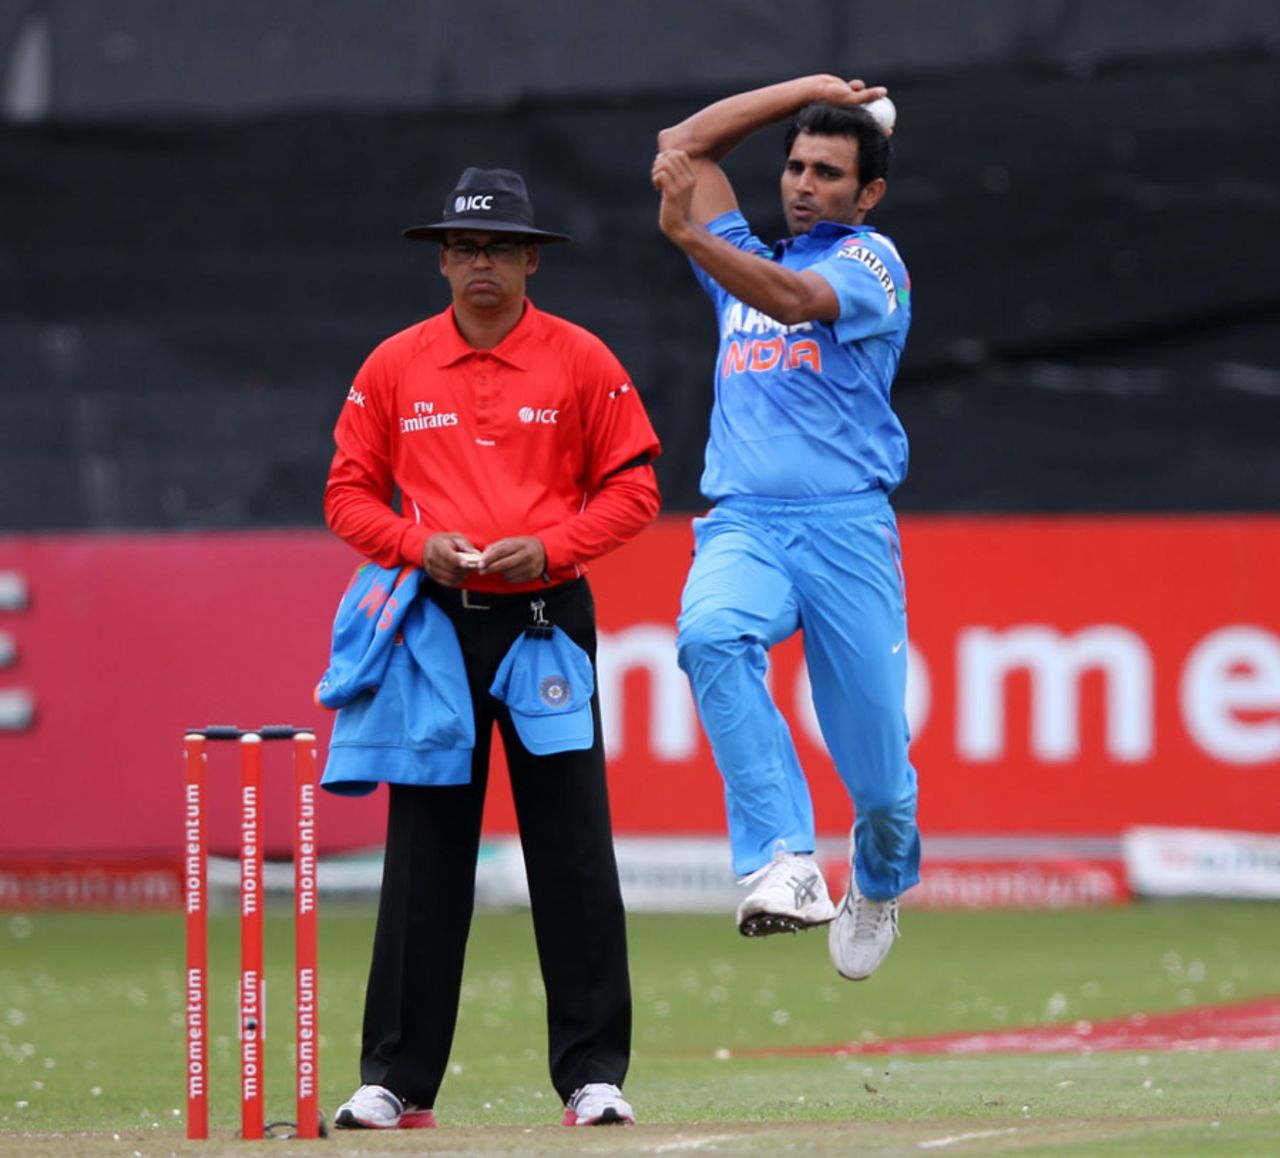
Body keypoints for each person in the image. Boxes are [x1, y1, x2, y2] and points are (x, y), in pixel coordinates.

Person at [323, 167, 661, 1128]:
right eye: (467, 248)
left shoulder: (581, 360)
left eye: (501, 249)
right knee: (426, 853)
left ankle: (595, 1075)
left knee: (572, 847)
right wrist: (413, 544)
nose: (483, 264)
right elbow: (346, 495)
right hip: (433, 622)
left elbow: (634, 491)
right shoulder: (395, 365)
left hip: (548, 619)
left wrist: (552, 547)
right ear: (442, 260)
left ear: (529, 262)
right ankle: (395, 1079)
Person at [651, 76, 920, 982]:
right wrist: (806, 89)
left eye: (830, 173)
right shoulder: (740, 261)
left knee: (882, 783)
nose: (804, 184)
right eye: (796, 167)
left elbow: (798, 301)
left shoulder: (871, 262)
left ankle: (878, 880)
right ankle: (784, 859)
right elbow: (682, 147)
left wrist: (689, 235)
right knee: (709, 635)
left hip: (847, 531)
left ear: (867, 194)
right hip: (747, 523)